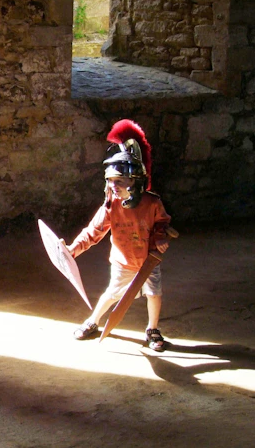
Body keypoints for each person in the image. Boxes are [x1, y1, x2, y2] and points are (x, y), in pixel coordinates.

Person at [66, 119, 172, 351]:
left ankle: (152, 329)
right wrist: (73, 250)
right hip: (123, 262)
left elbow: (162, 222)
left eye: (120, 181)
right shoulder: (111, 206)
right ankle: (93, 321)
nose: (114, 186)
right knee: (112, 294)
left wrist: (160, 237)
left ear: (135, 182)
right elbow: (93, 231)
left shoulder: (152, 203)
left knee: (154, 294)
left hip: (149, 260)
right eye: (111, 181)